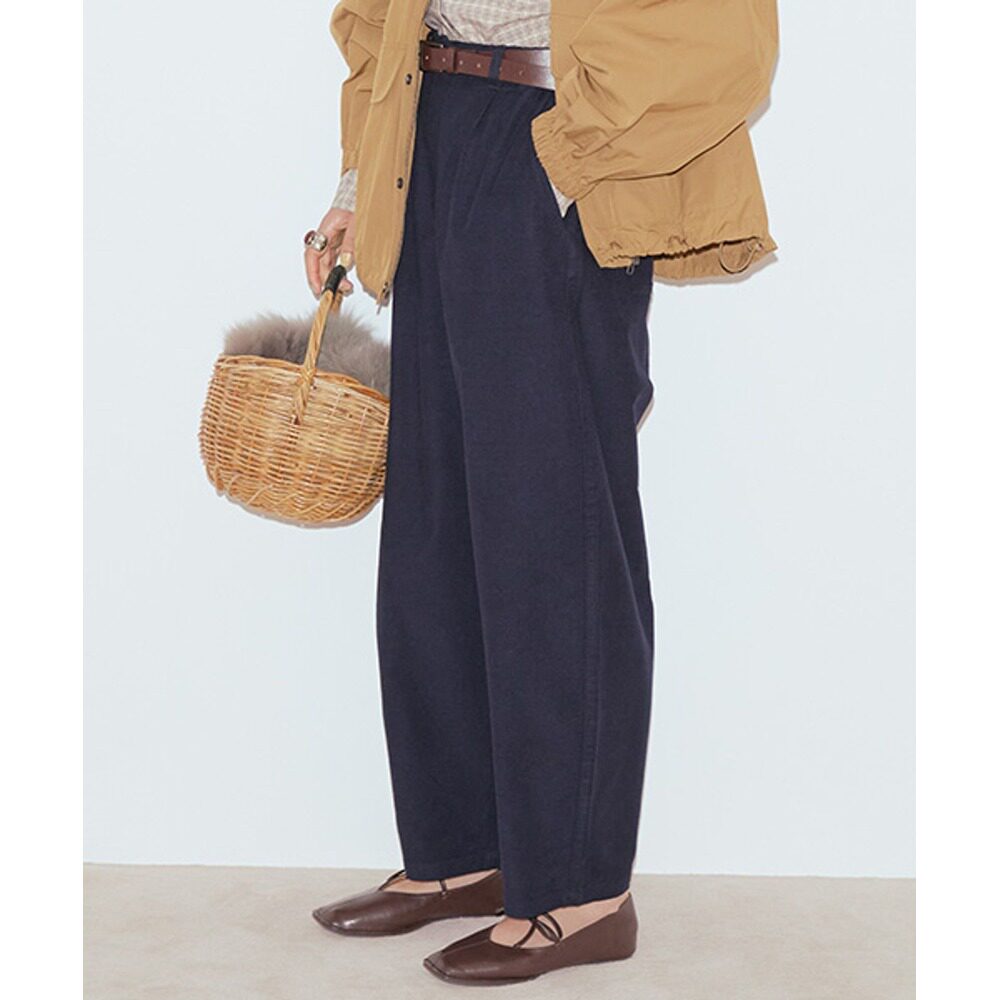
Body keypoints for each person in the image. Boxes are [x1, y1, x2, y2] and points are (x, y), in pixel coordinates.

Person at [304, 0, 778, 986]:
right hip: (429, 130)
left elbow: (728, 39)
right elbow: (376, 21)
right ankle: (464, 853)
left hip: (551, 138)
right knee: (435, 531)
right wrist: (358, 183)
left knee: (553, 537)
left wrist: (569, 158)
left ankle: (581, 891)